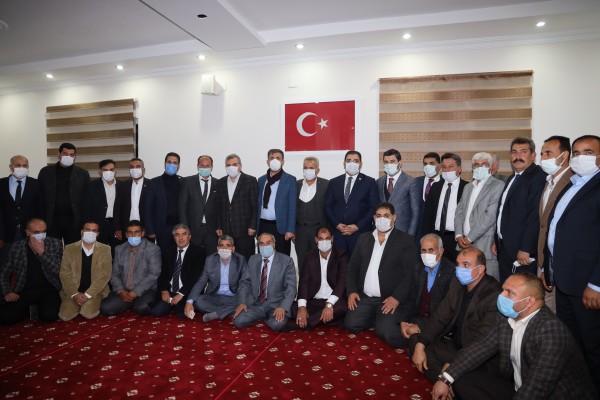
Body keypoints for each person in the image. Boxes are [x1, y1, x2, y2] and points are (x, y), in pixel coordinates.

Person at [432, 273, 597, 400]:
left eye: (509, 293)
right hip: (519, 387)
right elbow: (481, 347)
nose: (501, 296)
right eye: (503, 289)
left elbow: (536, 389)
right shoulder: (507, 316)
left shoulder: (551, 332)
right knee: (461, 379)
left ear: (529, 301)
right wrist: (445, 378)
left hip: (551, 396)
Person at [544, 134, 600, 392]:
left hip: (587, 285)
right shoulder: (572, 184)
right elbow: (555, 229)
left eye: (587, 152)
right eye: (576, 152)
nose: (579, 157)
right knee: (572, 343)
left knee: (592, 346)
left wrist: (596, 284)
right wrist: (547, 268)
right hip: (564, 279)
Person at [410, 247, 501, 383]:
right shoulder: (457, 283)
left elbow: (482, 342)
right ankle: (446, 380)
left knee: (462, 376)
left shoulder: (493, 294)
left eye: (466, 265)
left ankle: (448, 379)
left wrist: (454, 363)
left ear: (480, 269)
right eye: (458, 264)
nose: (460, 269)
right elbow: (440, 316)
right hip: (453, 344)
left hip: (475, 353)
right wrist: (421, 345)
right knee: (416, 342)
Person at [345, 202, 420, 348]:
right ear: (374, 218)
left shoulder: (406, 240)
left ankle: (383, 320)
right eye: (378, 216)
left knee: (387, 333)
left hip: (388, 299)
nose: (382, 219)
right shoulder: (364, 238)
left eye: (386, 216)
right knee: (351, 324)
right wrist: (352, 291)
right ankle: (376, 317)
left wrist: (396, 298)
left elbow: (409, 274)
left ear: (394, 218)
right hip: (365, 297)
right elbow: (352, 267)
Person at [494, 137, 546, 282]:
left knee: (522, 290)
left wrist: (526, 248)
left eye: (523, 152)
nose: (518, 156)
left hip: (522, 252)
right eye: (514, 152)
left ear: (533, 155)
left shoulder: (538, 177)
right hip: (505, 247)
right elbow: (504, 211)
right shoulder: (512, 178)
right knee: (506, 288)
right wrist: (497, 238)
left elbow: (535, 215)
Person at [0, 218, 62, 325]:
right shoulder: (17, 247)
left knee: (50, 315)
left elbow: (59, 270)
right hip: (24, 290)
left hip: (49, 289)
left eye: (44, 231)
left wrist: (42, 253)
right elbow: (4, 273)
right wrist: (7, 292)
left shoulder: (55, 244)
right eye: (36, 232)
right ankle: (31, 310)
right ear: (27, 232)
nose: (41, 235)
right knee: (5, 317)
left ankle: (32, 311)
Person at [454, 152, 504, 280]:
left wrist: (469, 238)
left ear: (491, 167)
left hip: (485, 244)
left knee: (488, 284)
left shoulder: (498, 185)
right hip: (463, 244)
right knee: (466, 282)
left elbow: (490, 216)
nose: (480, 167)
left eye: (484, 164)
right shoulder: (467, 187)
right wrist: (459, 235)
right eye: (476, 165)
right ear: (472, 168)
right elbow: (459, 212)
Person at [288, 226, 349, 330]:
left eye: (327, 238)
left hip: (334, 301)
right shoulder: (310, 256)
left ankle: (307, 324)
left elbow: (342, 282)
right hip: (315, 301)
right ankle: (328, 319)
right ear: (316, 240)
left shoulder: (341, 255)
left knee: (343, 306)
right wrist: (302, 307)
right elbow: (304, 282)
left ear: (332, 239)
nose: (324, 242)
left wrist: (329, 305)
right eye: (321, 239)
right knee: (293, 307)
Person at [233, 233, 296, 331]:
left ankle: (266, 317)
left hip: (276, 305)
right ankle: (263, 316)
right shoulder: (253, 259)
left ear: (274, 244)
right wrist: (242, 302)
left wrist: (283, 307)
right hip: (256, 303)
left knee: (277, 324)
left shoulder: (286, 261)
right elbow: (245, 283)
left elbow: (291, 288)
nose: (264, 246)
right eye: (261, 244)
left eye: (268, 243)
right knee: (238, 321)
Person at [398, 234, 454, 346]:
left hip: (437, 322)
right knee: (391, 334)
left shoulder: (451, 271)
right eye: (423, 250)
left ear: (441, 251)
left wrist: (420, 327)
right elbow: (411, 298)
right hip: (417, 317)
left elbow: (447, 311)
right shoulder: (418, 268)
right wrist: (403, 321)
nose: (426, 254)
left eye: (431, 250)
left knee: (415, 341)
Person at [537, 135, 572, 312]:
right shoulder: (548, 181)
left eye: (549, 153)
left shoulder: (573, 181)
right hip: (544, 256)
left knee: (561, 311)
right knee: (547, 306)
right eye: (542, 154)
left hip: (562, 258)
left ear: (564, 156)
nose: (543, 158)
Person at [100, 220, 161, 316]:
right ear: (126, 234)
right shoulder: (119, 249)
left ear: (142, 233)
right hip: (125, 289)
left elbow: (154, 275)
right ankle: (129, 301)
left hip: (146, 290)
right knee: (105, 308)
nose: (133, 235)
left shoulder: (153, 249)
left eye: (136, 232)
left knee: (142, 308)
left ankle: (133, 302)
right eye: (130, 232)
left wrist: (136, 292)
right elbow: (115, 273)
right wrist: (120, 290)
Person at [324, 150, 378, 256]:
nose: (352, 163)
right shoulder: (334, 182)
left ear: (360, 164)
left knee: (358, 264)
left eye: (356, 161)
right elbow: (327, 206)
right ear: (344, 163)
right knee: (340, 264)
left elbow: (373, 208)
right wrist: (337, 224)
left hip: (360, 233)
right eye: (349, 160)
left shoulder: (369, 182)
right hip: (338, 234)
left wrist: (357, 226)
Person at [185, 235, 247, 322]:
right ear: (217, 248)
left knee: (248, 300)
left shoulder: (240, 260)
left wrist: (242, 301)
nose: (224, 249)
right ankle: (229, 311)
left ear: (233, 249)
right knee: (198, 301)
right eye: (221, 246)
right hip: (215, 296)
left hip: (233, 296)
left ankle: (217, 314)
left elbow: (244, 282)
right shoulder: (210, 260)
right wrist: (189, 302)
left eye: (228, 246)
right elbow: (201, 282)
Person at [38, 142, 91, 244]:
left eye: (71, 155)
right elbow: (40, 198)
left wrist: (85, 223)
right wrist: (41, 221)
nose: (68, 157)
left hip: (74, 222)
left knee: (73, 251)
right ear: (59, 154)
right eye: (65, 154)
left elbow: (87, 200)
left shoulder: (83, 174)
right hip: (51, 221)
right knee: (52, 250)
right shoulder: (45, 172)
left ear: (75, 156)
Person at [58, 221, 112, 321]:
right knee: (65, 316)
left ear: (98, 234)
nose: (90, 233)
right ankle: (75, 301)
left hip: (95, 291)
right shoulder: (69, 248)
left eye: (94, 231)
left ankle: (87, 303)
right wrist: (74, 294)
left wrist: (87, 295)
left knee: (88, 314)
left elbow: (105, 275)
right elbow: (64, 273)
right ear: (82, 232)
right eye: (87, 230)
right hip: (74, 289)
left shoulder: (106, 249)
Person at [150, 224, 205, 318]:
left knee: (181, 314)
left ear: (189, 236)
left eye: (184, 234)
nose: (181, 238)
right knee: (156, 312)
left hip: (186, 291)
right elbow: (163, 273)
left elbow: (195, 277)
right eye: (177, 235)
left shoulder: (198, 251)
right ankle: (172, 304)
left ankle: (177, 305)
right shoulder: (168, 250)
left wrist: (181, 294)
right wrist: (164, 290)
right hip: (170, 290)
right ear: (174, 237)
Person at [422, 153, 468, 262]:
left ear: (459, 168)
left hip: (457, 239)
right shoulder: (435, 187)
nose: (447, 170)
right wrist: (426, 238)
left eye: (451, 166)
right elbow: (428, 215)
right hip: (436, 237)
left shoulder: (467, 187)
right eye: (444, 167)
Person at [0, 155, 44, 263]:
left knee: (27, 265)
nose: (21, 168)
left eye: (24, 165)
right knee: (5, 264)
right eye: (18, 165)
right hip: (6, 234)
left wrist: (38, 233)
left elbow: (41, 209)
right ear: (10, 167)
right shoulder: (1, 184)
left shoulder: (36, 184)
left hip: (29, 234)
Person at [215, 154, 258, 260]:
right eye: (228, 165)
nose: (231, 167)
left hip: (245, 230)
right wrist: (218, 226)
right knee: (229, 260)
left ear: (240, 166)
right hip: (226, 230)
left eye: (234, 164)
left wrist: (253, 226)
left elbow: (255, 205)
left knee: (246, 259)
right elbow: (218, 206)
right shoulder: (220, 182)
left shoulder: (250, 180)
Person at [256, 149, 297, 256]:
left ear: (283, 161)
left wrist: (290, 229)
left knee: (282, 258)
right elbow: (257, 205)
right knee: (263, 257)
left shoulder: (290, 180)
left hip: (281, 227)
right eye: (272, 158)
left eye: (278, 158)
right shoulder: (261, 180)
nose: (275, 161)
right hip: (263, 226)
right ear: (267, 161)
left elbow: (292, 206)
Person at [179, 155, 220, 252]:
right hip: (193, 229)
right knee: (193, 256)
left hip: (212, 230)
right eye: (202, 165)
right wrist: (185, 228)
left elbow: (220, 208)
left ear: (211, 167)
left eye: (207, 166)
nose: (204, 168)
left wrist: (219, 226)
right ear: (197, 166)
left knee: (211, 256)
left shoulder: (218, 183)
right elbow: (182, 206)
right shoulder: (187, 182)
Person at [295, 156, 329, 273]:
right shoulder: (296, 184)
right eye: (305, 168)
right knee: (302, 264)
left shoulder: (326, 185)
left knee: (319, 264)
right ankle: (303, 285)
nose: (308, 170)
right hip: (300, 232)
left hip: (319, 231)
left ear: (317, 170)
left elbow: (330, 208)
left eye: (311, 168)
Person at [145, 152, 182, 256]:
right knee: (164, 257)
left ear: (178, 166)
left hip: (179, 228)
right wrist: (150, 230)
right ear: (165, 163)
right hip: (162, 228)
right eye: (169, 162)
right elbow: (148, 208)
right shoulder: (154, 183)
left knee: (178, 256)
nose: (172, 165)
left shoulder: (183, 182)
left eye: (175, 163)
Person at [377, 149, 420, 236]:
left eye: (392, 161)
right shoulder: (379, 182)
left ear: (400, 163)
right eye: (386, 162)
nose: (389, 164)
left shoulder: (411, 182)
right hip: (382, 232)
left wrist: (410, 236)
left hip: (402, 231)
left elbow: (415, 213)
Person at [113, 157, 148, 244]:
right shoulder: (122, 186)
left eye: (138, 166)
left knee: (146, 251)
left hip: (146, 228)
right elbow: (117, 208)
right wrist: (117, 228)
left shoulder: (151, 185)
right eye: (132, 167)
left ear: (143, 170)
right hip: (127, 229)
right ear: (129, 170)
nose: (135, 169)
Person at [89, 159, 121, 251]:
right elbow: (87, 207)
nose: (109, 172)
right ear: (100, 172)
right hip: (98, 225)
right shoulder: (92, 186)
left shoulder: (122, 185)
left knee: (116, 252)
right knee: (98, 252)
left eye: (111, 169)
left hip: (116, 226)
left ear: (115, 171)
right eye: (105, 170)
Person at [414, 152, 441, 242]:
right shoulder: (415, 182)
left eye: (431, 163)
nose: (428, 166)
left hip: (437, 230)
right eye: (425, 164)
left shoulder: (445, 183)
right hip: (418, 231)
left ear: (439, 166)